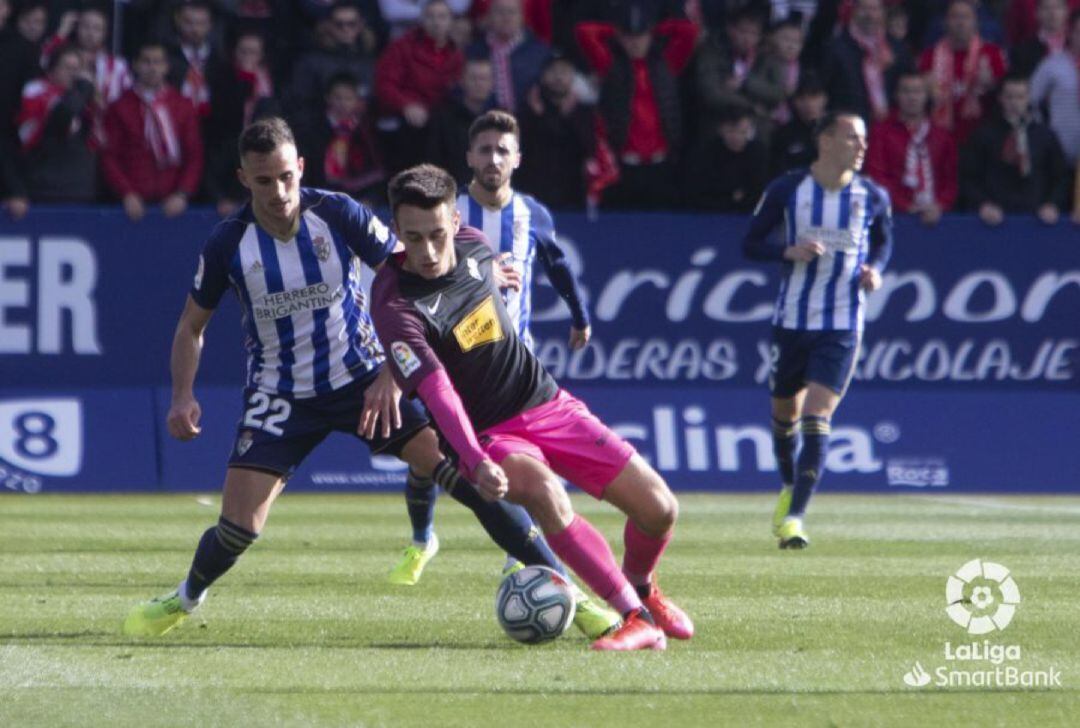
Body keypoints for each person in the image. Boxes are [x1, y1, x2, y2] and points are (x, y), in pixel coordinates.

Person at [121, 117, 618, 640]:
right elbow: (190, 327)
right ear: (244, 179)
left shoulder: (336, 213)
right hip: (282, 395)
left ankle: (571, 595)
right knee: (239, 527)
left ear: (301, 168)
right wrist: (181, 397)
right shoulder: (229, 244)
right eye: (264, 181)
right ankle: (185, 598)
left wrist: (394, 365)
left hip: (366, 382)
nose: (279, 191)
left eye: (287, 176)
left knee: (475, 482)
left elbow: (411, 269)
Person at [371, 163, 693, 651]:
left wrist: (495, 275)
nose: (429, 251)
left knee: (660, 510)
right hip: (487, 434)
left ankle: (643, 588)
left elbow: (479, 276)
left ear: (456, 222)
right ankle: (634, 616)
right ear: (396, 231)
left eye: (438, 234)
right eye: (413, 238)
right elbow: (439, 392)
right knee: (544, 493)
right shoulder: (395, 306)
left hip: (549, 403)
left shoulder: (476, 246)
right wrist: (475, 461)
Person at [388, 109, 591, 583]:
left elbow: (558, 266)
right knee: (427, 458)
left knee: (524, 461)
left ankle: (519, 554)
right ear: (469, 157)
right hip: (447, 357)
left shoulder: (532, 216)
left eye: (503, 150)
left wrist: (579, 316)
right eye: (485, 149)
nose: (494, 158)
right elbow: (414, 268)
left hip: (510, 365)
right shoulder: (446, 213)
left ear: (517, 158)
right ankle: (422, 540)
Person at [742, 110, 894, 549]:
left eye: (862, 139)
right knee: (783, 418)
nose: (861, 146)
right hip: (791, 320)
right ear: (825, 140)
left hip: (843, 322)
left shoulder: (872, 196)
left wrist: (876, 271)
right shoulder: (789, 189)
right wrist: (786, 250)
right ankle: (790, 485)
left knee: (818, 414)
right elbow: (749, 242)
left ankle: (794, 518)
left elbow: (884, 242)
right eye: (852, 138)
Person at [100, 42, 203, 221]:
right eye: (146, 62)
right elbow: (109, 156)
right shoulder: (120, 106)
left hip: (173, 203)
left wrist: (183, 193)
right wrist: (127, 193)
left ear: (166, 67)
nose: (152, 68)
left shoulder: (183, 105)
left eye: (157, 62)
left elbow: (194, 154)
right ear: (136, 65)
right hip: (133, 204)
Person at [961, 74, 1067, 226]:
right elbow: (969, 178)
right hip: (994, 221)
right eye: (1009, 97)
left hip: (1037, 221)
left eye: (1020, 97)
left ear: (1029, 98)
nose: (1014, 103)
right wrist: (982, 204)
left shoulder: (1046, 136)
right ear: (1000, 98)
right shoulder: (984, 135)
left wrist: (1052, 204)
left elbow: (1061, 177)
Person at [865, 71, 958, 226]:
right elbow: (877, 176)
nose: (912, 97)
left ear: (926, 96)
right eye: (906, 91)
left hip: (936, 218)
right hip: (894, 218)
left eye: (917, 91)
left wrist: (940, 205)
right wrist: (905, 206)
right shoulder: (881, 133)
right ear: (896, 95)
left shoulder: (942, 136)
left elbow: (950, 180)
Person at [917, 0, 1006, 147]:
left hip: (981, 136)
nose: (960, 22)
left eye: (965, 17)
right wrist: (926, 89)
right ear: (945, 23)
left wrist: (991, 84)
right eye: (955, 17)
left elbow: (1004, 94)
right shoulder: (929, 56)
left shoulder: (992, 53)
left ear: (976, 22)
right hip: (939, 136)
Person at [1029, 9, 1080, 165]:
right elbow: (1030, 101)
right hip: (1060, 151)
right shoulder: (1052, 64)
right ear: (1070, 33)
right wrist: (1044, 135)